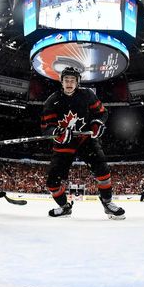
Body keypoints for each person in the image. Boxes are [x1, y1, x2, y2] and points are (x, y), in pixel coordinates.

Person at [41, 67, 125, 220]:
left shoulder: (87, 95)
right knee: (52, 183)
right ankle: (64, 207)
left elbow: (102, 112)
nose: (69, 83)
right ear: (61, 82)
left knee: (103, 171)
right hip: (64, 144)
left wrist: (97, 123)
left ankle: (108, 204)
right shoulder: (52, 100)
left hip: (86, 141)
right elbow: (46, 127)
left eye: (72, 80)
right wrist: (56, 134)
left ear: (77, 82)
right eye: (66, 80)